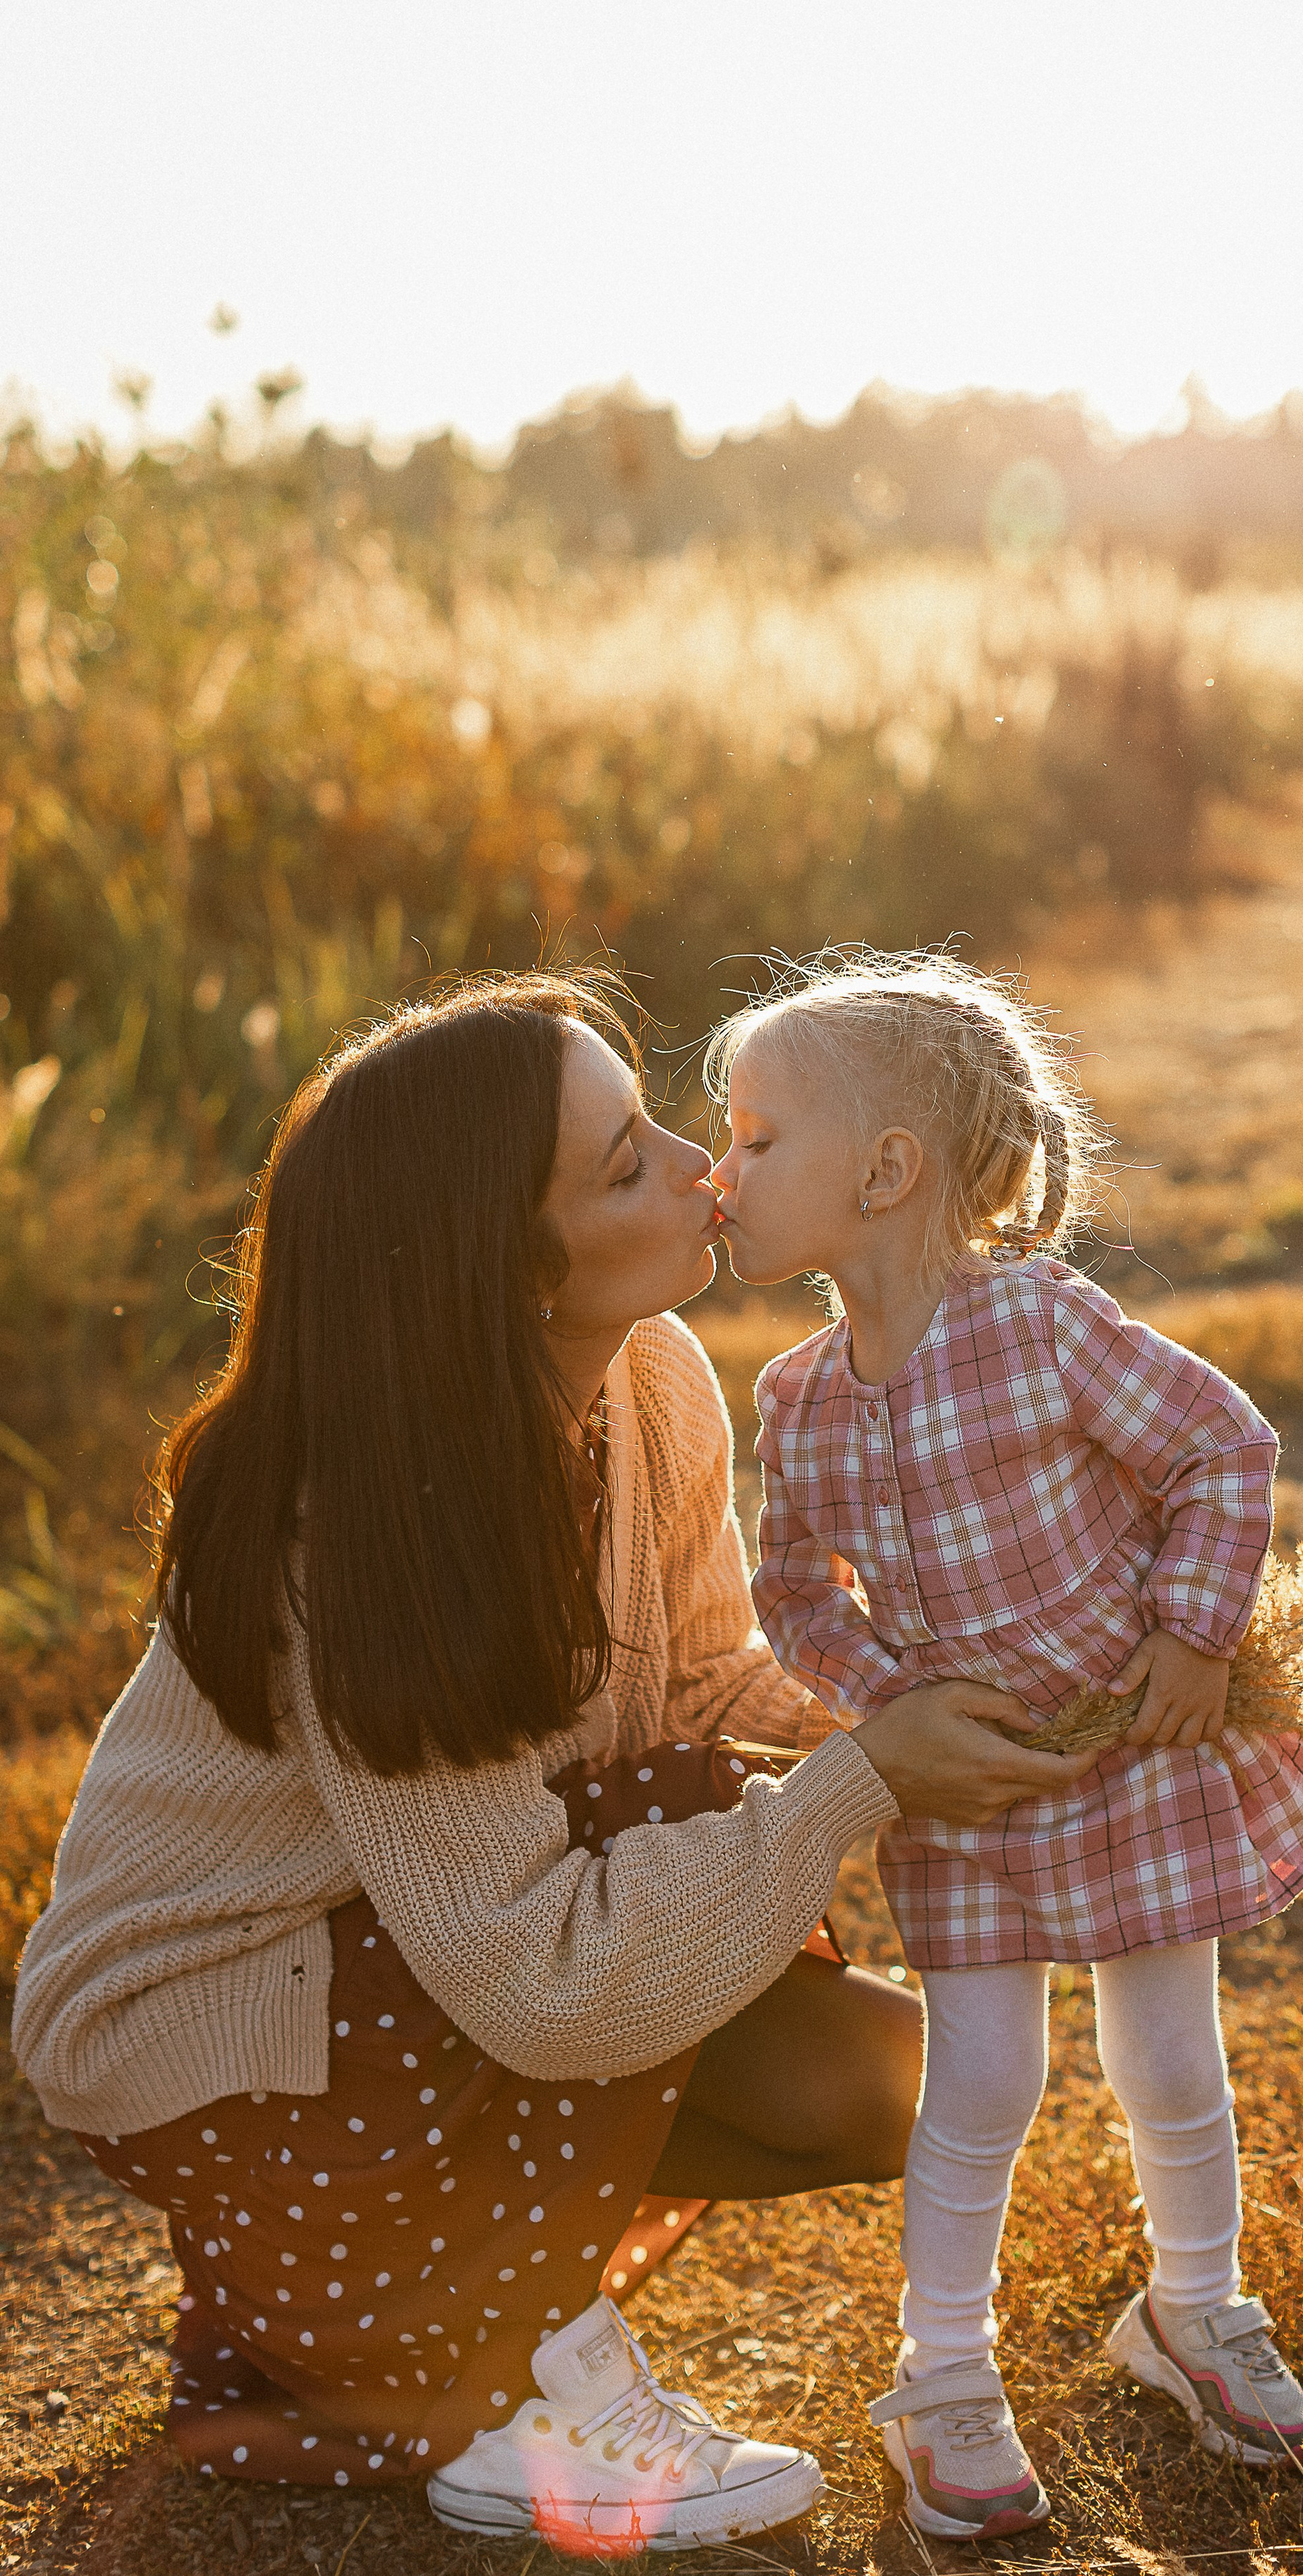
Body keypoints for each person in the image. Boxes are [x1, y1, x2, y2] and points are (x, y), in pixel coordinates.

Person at [11, 971, 1096, 2559]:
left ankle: (350, 2303)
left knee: (877, 2085)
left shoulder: (650, 1379)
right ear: (505, 1273)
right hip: (217, 2013)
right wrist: (867, 1779)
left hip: (430, 1950)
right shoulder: (362, 1536)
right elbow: (533, 1978)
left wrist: (973, 1709)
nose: (701, 1168)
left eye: (660, 1122)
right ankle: (518, 2381)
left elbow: (706, 1686)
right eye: (627, 1167)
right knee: (659, 1851)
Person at [707, 952, 1303, 2539]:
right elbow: (791, 1590)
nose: (719, 1174)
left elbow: (1222, 1444)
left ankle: (1192, 2308)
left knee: (1170, 2054)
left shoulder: (1044, 1326)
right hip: (966, 1795)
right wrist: (888, 1705)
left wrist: (1195, 1635)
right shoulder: (796, 1399)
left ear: (884, 1172)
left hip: (1136, 1754)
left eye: (754, 1139)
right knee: (983, 2078)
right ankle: (943, 2374)